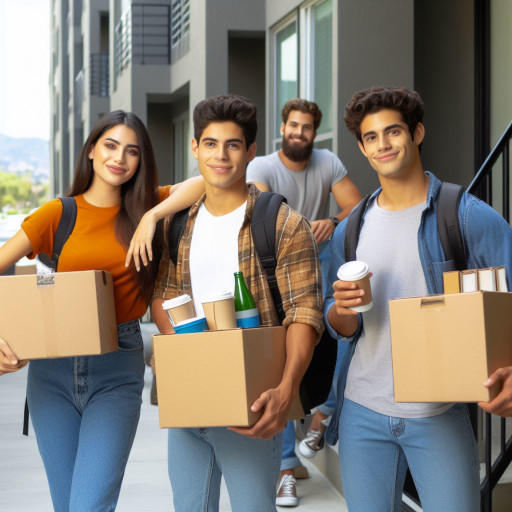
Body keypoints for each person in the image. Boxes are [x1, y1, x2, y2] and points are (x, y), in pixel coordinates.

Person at [0, 110, 204, 511]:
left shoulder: (150, 206)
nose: (120, 158)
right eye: (110, 146)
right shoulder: (58, 214)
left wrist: (152, 216)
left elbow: (203, 184)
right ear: (92, 150)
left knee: (88, 506)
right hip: (51, 372)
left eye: (132, 151)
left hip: (117, 367)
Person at [323, 86, 512, 512]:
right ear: (362, 148)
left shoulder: (463, 215)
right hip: (361, 411)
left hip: (438, 411)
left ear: (417, 133)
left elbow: (508, 299)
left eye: (393, 132)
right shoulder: (349, 230)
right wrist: (342, 309)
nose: (383, 144)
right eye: (371, 137)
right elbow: (337, 325)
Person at [151, 94, 324, 512]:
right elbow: (163, 297)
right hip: (191, 402)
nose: (220, 155)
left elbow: (305, 312)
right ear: (195, 148)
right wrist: (192, 356)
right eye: (210, 143)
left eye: (232, 144)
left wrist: (285, 392)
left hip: (253, 405)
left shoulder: (282, 223)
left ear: (250, 151)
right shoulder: (177, 224)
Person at [247, 98, 361, 507]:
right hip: (277, 267)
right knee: (278, 360)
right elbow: (262, 217)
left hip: (322, 260)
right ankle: (283, 468)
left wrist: (332, 220)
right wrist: (303, 231)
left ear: (316, 132)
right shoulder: (261, 168)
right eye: (293, 125)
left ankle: (323, 414)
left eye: (307, 127)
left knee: (346, 330)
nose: (299, 133)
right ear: (283, 128)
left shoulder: (328, 162)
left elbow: (356, 206)